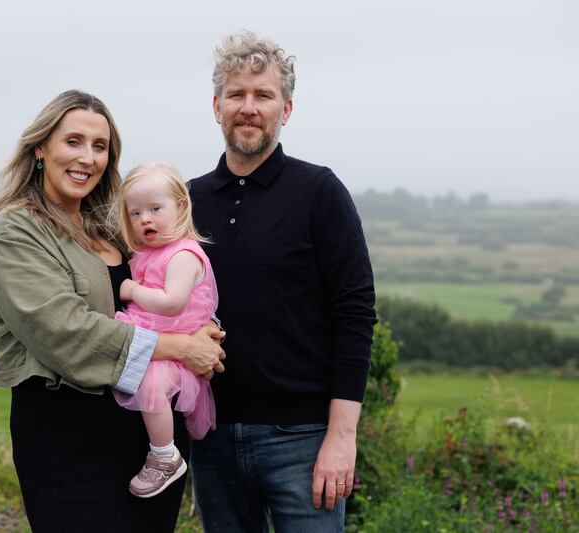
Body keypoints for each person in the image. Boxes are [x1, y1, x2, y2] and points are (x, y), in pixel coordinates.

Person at [0, 90, 224, 533]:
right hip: (68, 436)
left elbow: (170, 287)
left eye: (99, 146)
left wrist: (206, 331)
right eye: (74, 142)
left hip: (150, 441)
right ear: (41, 148)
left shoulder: (114, 228)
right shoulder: (17, 231)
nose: (87, 157)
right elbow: (65, 332)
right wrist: (181, 347)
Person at [188, 32, 377, 533]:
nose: (249, 108)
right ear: (217, 106)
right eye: (236, 94)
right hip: (211, 437)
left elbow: (355, 315)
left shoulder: (320, 192)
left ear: (286, 109)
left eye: (264, 95)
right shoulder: (187, 202)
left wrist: (342, 437)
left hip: (303, 440)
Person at [111, 162, 218, 498]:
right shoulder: (147, 253)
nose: (145, 219)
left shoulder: (183, 254)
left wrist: (132, 290)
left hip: (177, 338)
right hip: (158, 335)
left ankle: (164, 455)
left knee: (152, 386)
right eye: (136, 213)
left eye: (155, 209)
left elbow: (172, 303)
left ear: (181, 207)